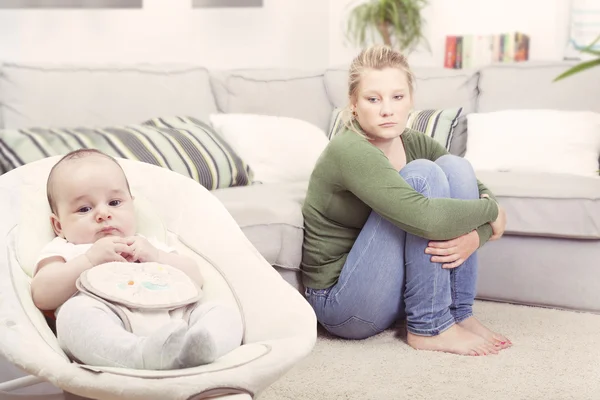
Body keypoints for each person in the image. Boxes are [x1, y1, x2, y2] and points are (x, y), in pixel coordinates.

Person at [301, 45, 510, 356]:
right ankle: (429, 325)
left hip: (389, 287)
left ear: (410, 99)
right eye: (373, 99)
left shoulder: (414, 141)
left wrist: (473, 237)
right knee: (422, 176)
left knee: (456, 167)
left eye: (397, 97)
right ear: (354, 105)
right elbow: (429, 219)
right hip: (343, 304)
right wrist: (491, 213)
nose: (388, 109)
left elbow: (477, 187)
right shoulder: (350, 150)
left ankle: (459, 314)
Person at [31, 149, 243, 370]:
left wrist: (157, 256)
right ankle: (139, 355)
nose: (103, 214)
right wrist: (88, 260)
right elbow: (42, 294)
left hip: (175, 318)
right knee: (73, 317)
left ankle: (203, 350)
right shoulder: (67, 249)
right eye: (84, 208)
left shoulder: (146, 244)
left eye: (114, 202)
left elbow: (195, 277)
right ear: (59, 226)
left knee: (221, 312)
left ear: (132, 205)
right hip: (110, 321)